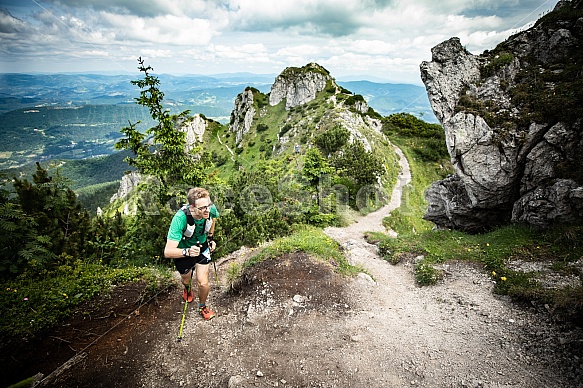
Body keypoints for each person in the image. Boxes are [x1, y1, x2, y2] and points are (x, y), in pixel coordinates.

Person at [164, 187, 218, 320]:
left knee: (203, 283)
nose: (207, 210)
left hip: (203, 248)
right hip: (184, 252)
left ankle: (202, 306)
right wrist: (187, 251)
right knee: (186, 279)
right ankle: (187, 289)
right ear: (192, 207)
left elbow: (214, 218)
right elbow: (168, 251)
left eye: (208, 205)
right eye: (203, 208)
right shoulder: (180, 218)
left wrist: (210, 238)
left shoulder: (210, 209)